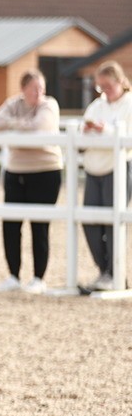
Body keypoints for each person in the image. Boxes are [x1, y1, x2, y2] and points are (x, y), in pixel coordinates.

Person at [0, 70, 62, 294]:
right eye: (34, 88)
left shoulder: (49, 105)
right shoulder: (14, 104)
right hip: (16, 170)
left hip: (45, 170)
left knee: (39, 226)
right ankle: (13, 275)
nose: (39, 93)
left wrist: (13, 126)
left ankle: (39, 277)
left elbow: (40, 126)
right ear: (23, 89)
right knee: (11, 224)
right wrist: (20, 123)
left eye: (41, 88)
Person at [81, 61, 132, 291]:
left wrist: (106, 132)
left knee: (113, 223)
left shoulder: (129, 105)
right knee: (90, 220)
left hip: (118, 168)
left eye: (108, 85)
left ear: (120, 81)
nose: (104, 91)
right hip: (94, 168)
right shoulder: (96, 106)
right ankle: (104, 270)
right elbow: (84, 131)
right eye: (100, 86)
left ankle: (115, 272)